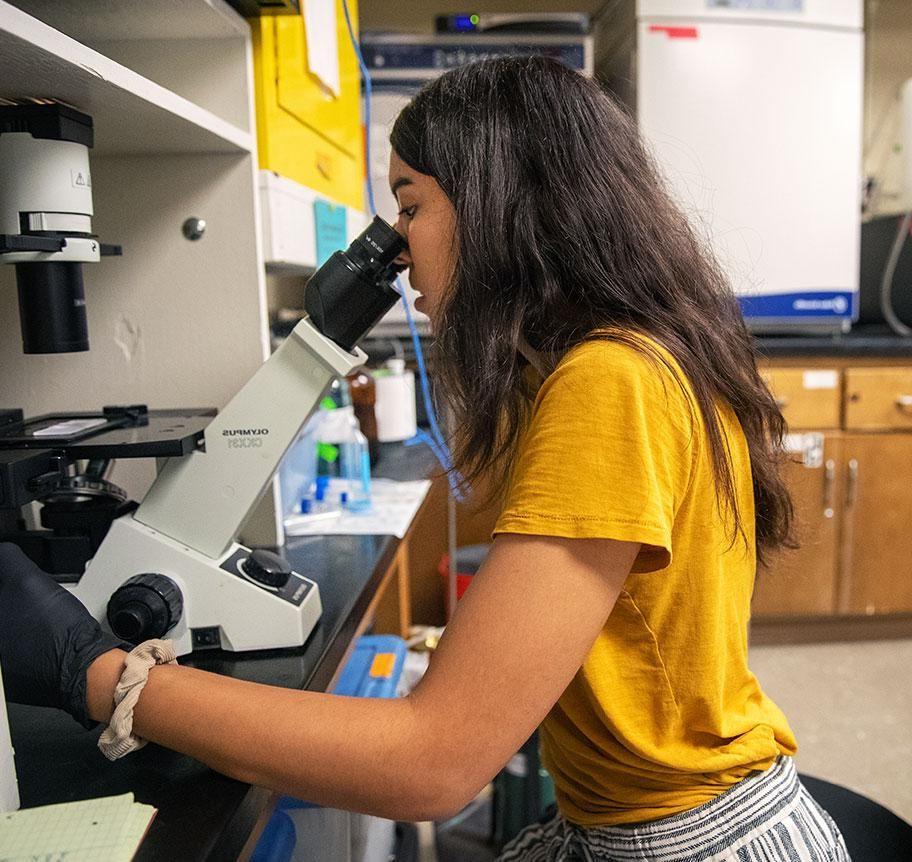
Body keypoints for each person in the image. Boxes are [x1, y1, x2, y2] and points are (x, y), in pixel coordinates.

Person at [0, 57, 850, 861]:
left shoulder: (610, 381)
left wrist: (98, 672)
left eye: (410, 207)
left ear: (499, 204)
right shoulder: (630, 359)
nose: (398, 251)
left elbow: (432, 764)